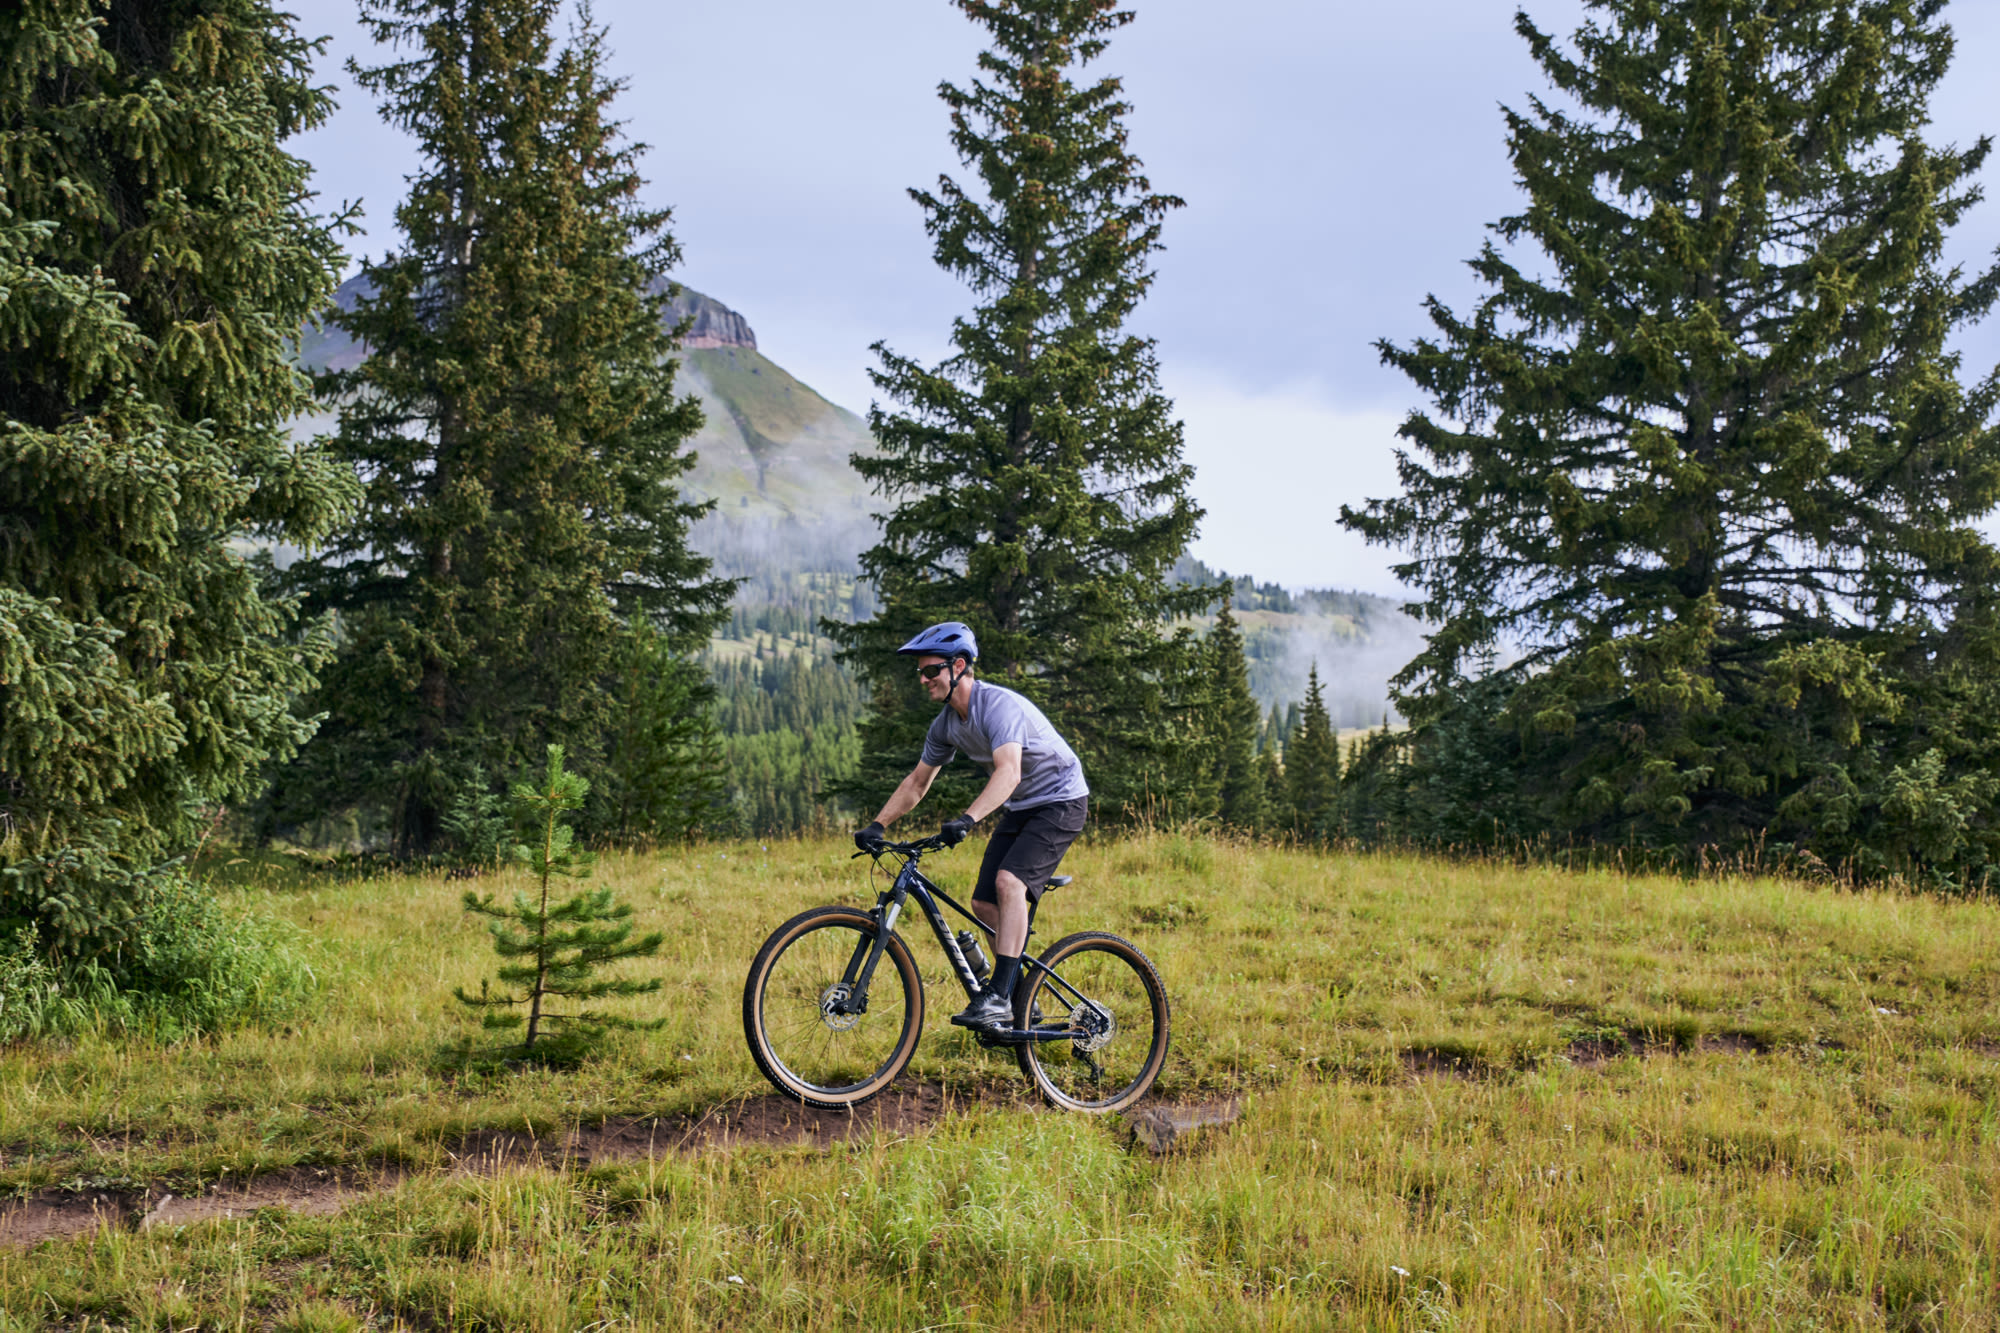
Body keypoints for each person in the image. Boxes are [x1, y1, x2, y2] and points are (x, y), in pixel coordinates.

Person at [853, 621, 1089, 1030]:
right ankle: (1022, 995)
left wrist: (967, 819)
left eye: (931, 671)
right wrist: (878, 824)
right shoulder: (945, 725)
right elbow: (918, 782)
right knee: (983, 904)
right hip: (1023, 806)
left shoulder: (997, 706)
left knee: (1009, 884)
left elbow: (1009, 771)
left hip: (1061, 799)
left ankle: (1000, 996)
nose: (923, 680)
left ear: (958, 667)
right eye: (920, 673)